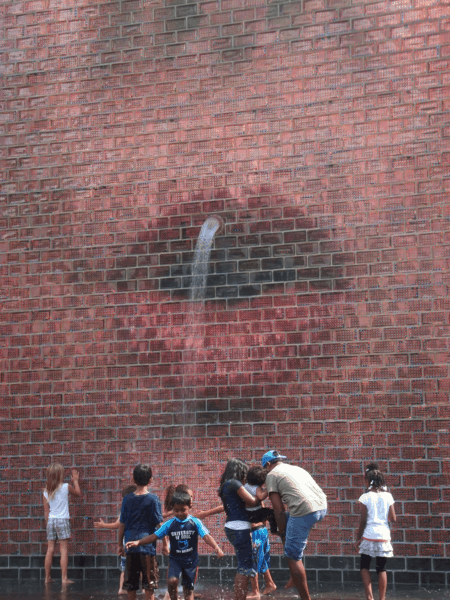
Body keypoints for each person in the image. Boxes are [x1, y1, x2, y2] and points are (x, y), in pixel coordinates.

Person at [126, 490, 224, 600]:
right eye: (176, 510)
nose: (180, 513)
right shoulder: (170, 524)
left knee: (188, 591)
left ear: (190, 506)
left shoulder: (195, 522)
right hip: (175, 560)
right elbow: (154, 536)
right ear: (172, 509)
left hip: (190, 562)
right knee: (172, 581)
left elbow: (206, 536)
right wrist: (139, 542)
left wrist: (216, 547)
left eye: (183, 510)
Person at [263, 450, 327, 600]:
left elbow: (278, 510)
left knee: (292, 554)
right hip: (321, 506)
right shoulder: (296, 468)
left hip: (303, 511)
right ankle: (294, 574)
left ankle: (305, 597)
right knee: (291, 540)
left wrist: (283, 532)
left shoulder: (271, 475)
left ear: (268, 464)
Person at [118, 464, 163, 600]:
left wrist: (120, 544)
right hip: (147, 547)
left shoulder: (127, 499)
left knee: (131, 585)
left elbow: (122, 524)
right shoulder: (153, 499)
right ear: (150, 480)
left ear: (133, 479)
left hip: (130, 546)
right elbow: (159, 524)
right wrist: (166, 543)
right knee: (149, 584)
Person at [218, 458, 260, 600]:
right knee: (244, 566)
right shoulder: (234, 484)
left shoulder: (226, 485)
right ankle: (239, 598)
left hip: (233, 527)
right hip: (239, 527)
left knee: (245, 564)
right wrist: (266, 491)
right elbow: (253, 500)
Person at [355, 465, 396, 600]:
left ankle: (369, 597)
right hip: (383, 535)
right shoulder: (388, 496)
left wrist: (358, 538)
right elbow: (393, 518)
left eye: (365, 480)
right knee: (381, 568)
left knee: (364, 565)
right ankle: (382, 598)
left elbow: (363, 521)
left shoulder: (365, 497)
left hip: (369, 535)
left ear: (368, 481)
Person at [94, 484, 137, 594]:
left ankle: (121, 589)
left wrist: (104, 525)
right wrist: (103, 525)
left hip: (126, 542)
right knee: (137, 566)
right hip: (133, 542)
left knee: (126, 567)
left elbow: (117, 525)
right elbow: (118, 525)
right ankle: (133, 589)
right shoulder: (132, 511)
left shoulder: (126, 511)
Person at [43, 463, 82, 584]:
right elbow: (78, 493)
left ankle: (47, 578)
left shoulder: (45, 491)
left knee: (50, 549)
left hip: (51, 520)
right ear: (60, 475)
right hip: (62, 520)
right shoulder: (65, 487)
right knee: (63, 549)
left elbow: (46, 511)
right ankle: (64, 578)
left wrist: (48, 523)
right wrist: (75, 480)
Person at [244, 466, 277, 599]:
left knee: (253, 561)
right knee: (261, 558)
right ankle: (270, 583)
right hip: (262, 530)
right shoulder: (258, 490)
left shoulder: (244, 489)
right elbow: (262, 506)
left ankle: (255, 591)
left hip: (254, 532)